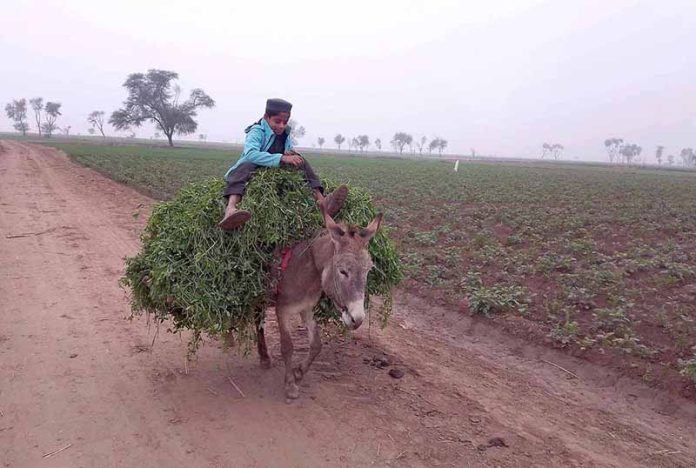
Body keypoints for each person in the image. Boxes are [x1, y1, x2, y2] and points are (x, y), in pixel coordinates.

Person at [219, 98, 348, 230]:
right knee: (246, 165)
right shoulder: (256, 131)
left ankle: (322, 201)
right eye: (277, 121)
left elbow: (288, 151)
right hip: (250, 169)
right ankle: (231, 209)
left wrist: (290, 155)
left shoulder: (285, 133)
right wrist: (281, 158)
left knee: (300, 160)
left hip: (274, 169)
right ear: (266, 117)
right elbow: (251, 154)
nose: (281, 126)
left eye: (285, 122)